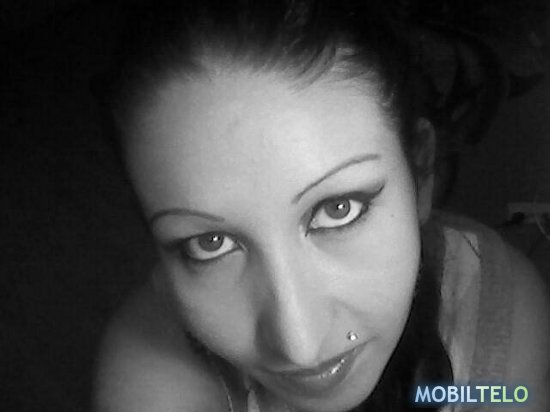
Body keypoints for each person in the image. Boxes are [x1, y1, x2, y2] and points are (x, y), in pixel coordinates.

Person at [94, 0, 549, 411]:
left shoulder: (498, 311)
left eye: (338, 209)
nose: (300, 345)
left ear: (420, 171)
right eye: (210, 243)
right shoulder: (149, 381)